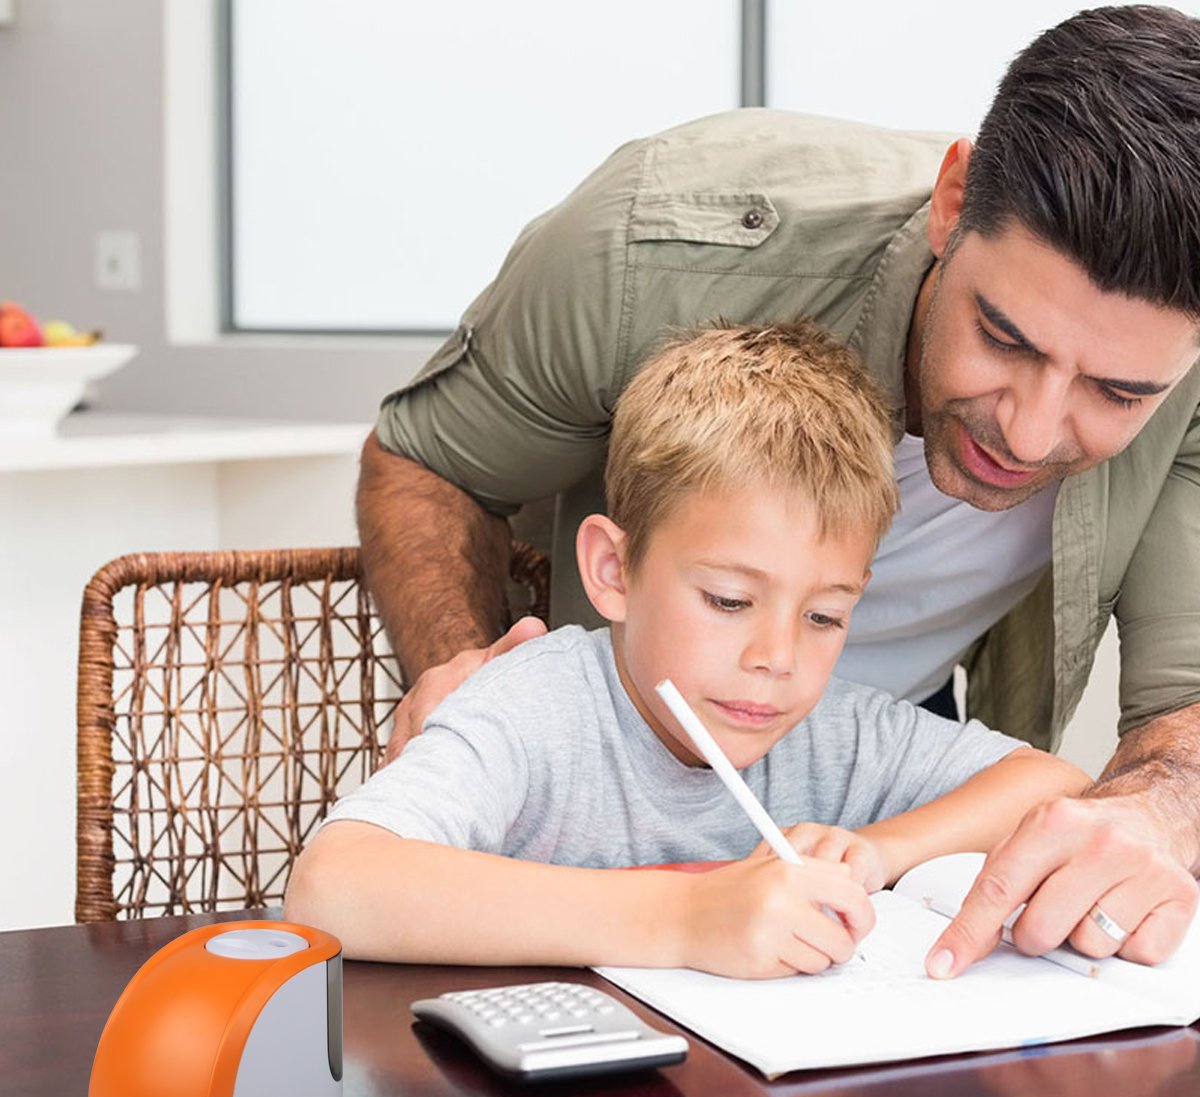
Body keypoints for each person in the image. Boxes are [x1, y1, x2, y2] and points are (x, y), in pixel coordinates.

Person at [355, 5, 1200, 976]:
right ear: (952, 200)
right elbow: (430, 460)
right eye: (1005, 340)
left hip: (862, 802)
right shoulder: (647, 247)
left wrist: (1153, 809)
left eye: (1119, 392)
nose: (1033, 431)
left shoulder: (857, 741)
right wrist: (474, 677)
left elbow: (1177, 711)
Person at [287, 320, 1090, 975]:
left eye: (824, 617)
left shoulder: (826, 730)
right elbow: (334, 884)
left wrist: (877, 853)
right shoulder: (533, 709)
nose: (777, 657)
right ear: (614, 572)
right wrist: (687, 919)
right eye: (729, 601)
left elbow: (1051, 785)